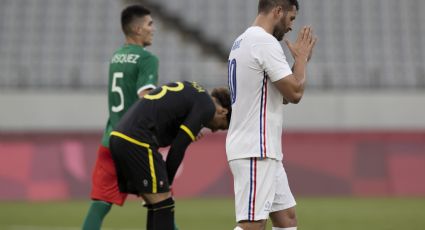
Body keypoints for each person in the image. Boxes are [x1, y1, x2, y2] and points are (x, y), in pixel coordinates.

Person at [226, 0, 317, 230]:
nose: (290, 27)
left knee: (286, 218)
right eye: (291, 18)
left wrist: (298, 65)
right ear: (278, 11)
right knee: (252, 225)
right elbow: (295, 93)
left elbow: (284, 96)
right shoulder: (264, 42)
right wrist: (301, 61)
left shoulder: (242, 41)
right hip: (256, 147)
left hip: (261, 148)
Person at [109, 81, 231, 230]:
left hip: (120, 137)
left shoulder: (194, 90)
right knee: (164, 203)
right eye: (222, 126)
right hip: (137, 140)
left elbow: (163, 120)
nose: (214, 131)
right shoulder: (207, 107)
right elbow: (178, 148)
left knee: (156, 204)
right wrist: (168, 182)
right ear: (223, 112)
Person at [82, 5, 159, 230]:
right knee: (162, 202)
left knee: (100, 204)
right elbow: (146, 98)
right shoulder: (146, 59)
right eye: (149, 24)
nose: (153, 29)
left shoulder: (116, 57)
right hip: (135, 144)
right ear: (137, 29)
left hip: (110, 140)